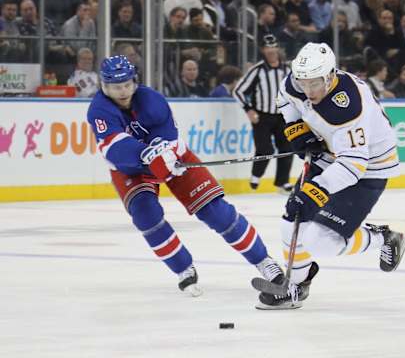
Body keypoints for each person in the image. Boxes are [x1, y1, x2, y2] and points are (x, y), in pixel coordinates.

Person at [87, 55, 284, 296]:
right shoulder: (99, 110)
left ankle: (263, 261)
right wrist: (148, 156)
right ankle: (183, 268)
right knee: (145, 215)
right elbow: (115, 148)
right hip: (132, 169)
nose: (123, 91)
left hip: (174, 158)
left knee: (215, 210)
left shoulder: (151, 99)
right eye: (117, 87)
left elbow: (168, 135)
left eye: (127, 84)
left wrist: (167, 155)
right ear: (104, 86)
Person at [256, 42, 405, 309]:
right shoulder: (296, 82)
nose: (308, 90)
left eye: (315, 83)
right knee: (290, 222)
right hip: (329, 155)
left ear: (330, 76)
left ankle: (385, 237)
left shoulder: (348, 105)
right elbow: (285, 101)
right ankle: (294, 287)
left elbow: (353, 165)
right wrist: (296, 130)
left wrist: (315, 191)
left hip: (367, 168)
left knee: (321, 243)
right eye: (303, 82)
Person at [233, 34, 293, 195]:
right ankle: (256, 175)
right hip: (262, 116)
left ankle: (283, 182)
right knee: (265, 148)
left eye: (273, 47)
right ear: (262, 50)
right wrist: (248, 109)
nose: (271, 50)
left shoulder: (288, 70)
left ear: (278, 48)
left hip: (282, 115)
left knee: (287, 148)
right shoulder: (257, 70)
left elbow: (297, 91)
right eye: (267, 47)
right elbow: (238, 91)